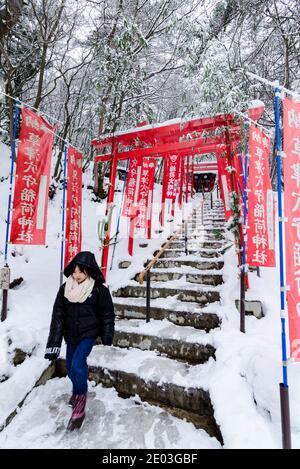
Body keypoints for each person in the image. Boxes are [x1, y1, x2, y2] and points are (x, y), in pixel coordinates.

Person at [44, 251, 115, 431]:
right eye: (75, 271)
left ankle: (80, 402)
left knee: (77, 364)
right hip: (71, 335)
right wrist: (53, 343)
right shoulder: (65, 289)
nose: (77, 275)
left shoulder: (99, 290)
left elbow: (107, 314)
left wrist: (107, 335)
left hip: (88, 334)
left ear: (89, 272)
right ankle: (77, 391)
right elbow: (57, 316)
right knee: (70, 367)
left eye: (81, 272)